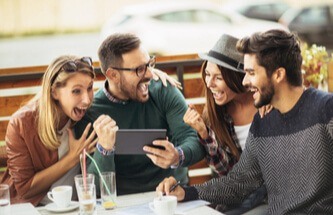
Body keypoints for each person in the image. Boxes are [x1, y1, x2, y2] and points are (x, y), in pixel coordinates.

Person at [157, 29, 333, 214]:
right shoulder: (263, 123)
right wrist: (186, 192)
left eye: (250, 72)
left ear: (279, 75)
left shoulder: (325, 109)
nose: (245, 81)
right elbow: (239, 182)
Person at [74, 33, 205, 196]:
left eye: (149, 64)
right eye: (139, 69)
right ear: (113, 75)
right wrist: (105, 149)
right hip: (122, 202)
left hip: (170, 196)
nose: (150, 74)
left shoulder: (163, 89)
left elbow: (194, 140)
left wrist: (177, 155)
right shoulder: (91, 112)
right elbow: (92, 185)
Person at [0, 55, 118, 206]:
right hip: (35, 209)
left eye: (89, 88)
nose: (87, 100)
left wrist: (105, 148)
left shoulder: (86, 118)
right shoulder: (22, 124)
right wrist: (72, 158)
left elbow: (95, 183)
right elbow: (25, 189)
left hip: (75, 207)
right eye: (76, 91)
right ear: (54, 92)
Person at [183, 34, 267, 214]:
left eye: (218, 77)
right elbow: (229, 174)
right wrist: (205, 134)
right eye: (207, 74)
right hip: (238, 194)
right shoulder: (216, 114)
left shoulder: (265, 105)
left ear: (237, 77)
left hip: (267, 194)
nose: (209, 83)